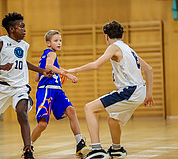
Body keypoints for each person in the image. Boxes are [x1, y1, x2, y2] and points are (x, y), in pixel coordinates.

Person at [65, 21, 155, 159]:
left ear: (106, 37)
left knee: (89, 108)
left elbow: (96, 65)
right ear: (122, 36)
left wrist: (75, 70)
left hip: (130, 91)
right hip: (140, 91)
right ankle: (116, 149)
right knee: (113, 119)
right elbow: (149, 69)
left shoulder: (114, 47)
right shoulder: (128, 49)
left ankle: (97, 150)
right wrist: (148, 94)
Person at [0, 12, 53, 159]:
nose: (24, 30)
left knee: (22, 112)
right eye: (21, 27)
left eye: (24, 27)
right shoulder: (1, 42)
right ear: (12, 29)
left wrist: (42, 71)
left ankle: (27, 150)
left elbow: (23, 63)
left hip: (20, 87)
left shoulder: (24, 45)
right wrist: (2, 67)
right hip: (2, 87)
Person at [30, 30, 90, 156]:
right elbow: (49, 65)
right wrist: (66, 74)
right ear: (48, 43)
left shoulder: (46, 55)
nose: (59, 43)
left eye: (60, 40)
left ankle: (80, 143)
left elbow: (36, 78)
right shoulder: (51, 54)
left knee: (71, 111)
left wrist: (48, 72)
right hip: (46, 90)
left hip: (57, 90)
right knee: (42, 124)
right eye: (56, 40)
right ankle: (28, 146)